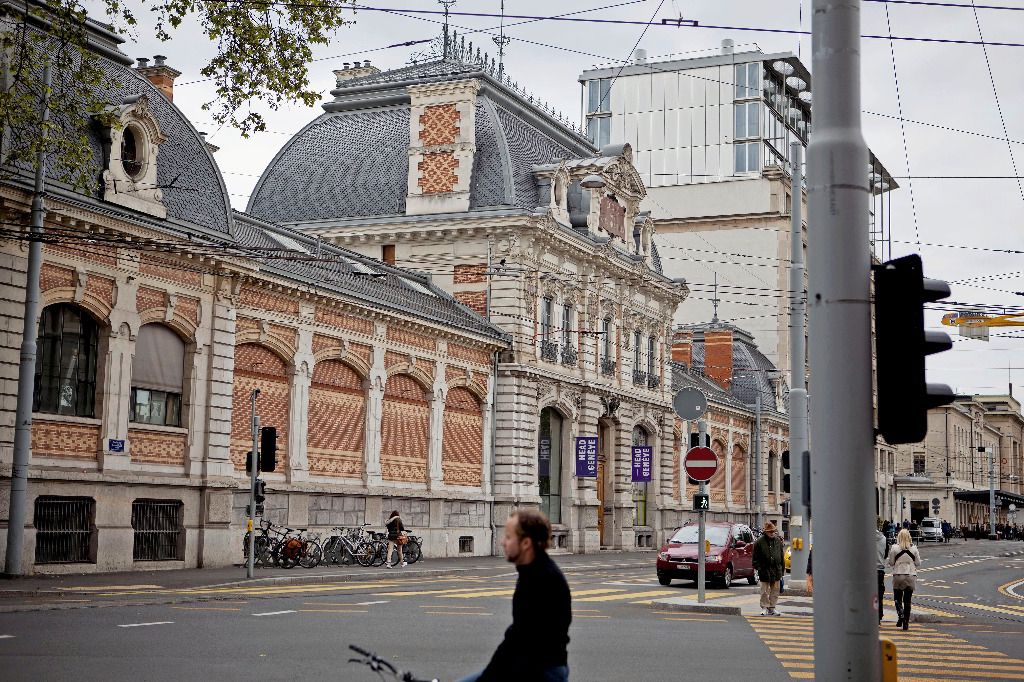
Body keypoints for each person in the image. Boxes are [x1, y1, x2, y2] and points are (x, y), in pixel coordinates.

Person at [457, 509, 571, 682]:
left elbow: (522, 641)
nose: (503, 542)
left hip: (541, 671)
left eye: (509, 537)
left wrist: (489, 676)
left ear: (526, 543)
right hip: (539, 666)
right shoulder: (533, 572)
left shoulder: (541, 580)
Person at [887, 528, 922, 630]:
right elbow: (918, 563)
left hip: (898, 575)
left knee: (897, 599)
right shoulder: (914, 548)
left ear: (899, 537)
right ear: (909, 537)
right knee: (907, 600)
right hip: (910, 575)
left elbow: (891, 563)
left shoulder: (894, 548)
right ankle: (906, 622)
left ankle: (900, 614)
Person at [753, 520, 786, 616]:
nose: (772, 533)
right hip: (764, 570)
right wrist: (758, 567)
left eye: (773, 531)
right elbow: (755, 558)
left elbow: (781, 556)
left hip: (776, 570)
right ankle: (764, 607)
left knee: (775, 591)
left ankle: (772, 607)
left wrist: (782, 570)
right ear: (766, 532)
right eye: (770, 531)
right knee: (764, 591)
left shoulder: (778, 541)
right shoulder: (759, 542)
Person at [876, 529, 887, 623]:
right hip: (880, 570)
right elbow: (886, 554)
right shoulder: (884, 538)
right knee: (879, 595)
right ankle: (879, 616)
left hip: (867, 571)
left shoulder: (863, 537)